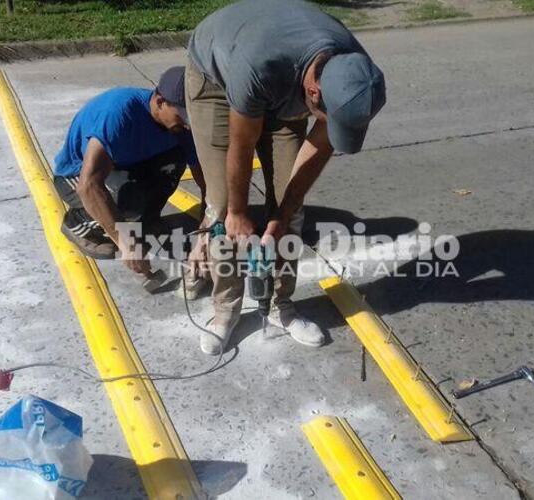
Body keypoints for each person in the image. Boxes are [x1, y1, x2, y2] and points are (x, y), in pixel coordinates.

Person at [185, 0, 386, 355]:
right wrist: (238, 213)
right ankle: (225, 312)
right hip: (218, 77)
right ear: (313, 92)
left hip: (284, 76)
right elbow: (241, 144)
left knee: (290, 209)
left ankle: (281, 307)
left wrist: (280, 218)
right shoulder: (258, 65)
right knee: (224, 206)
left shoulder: (355, 76)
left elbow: (318, 150)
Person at [52, 67, 205, 276]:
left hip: (126, 165)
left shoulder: (180, 126)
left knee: (174, 160)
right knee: (126, 203)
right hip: (77, 175)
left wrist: (211, 224)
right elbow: (89, 185)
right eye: (183, 116)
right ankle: (77, 223)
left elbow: (205, 176)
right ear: (160, 102)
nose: (187, 125)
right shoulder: (119, 115)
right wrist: (126, 242)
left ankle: (147, 220)